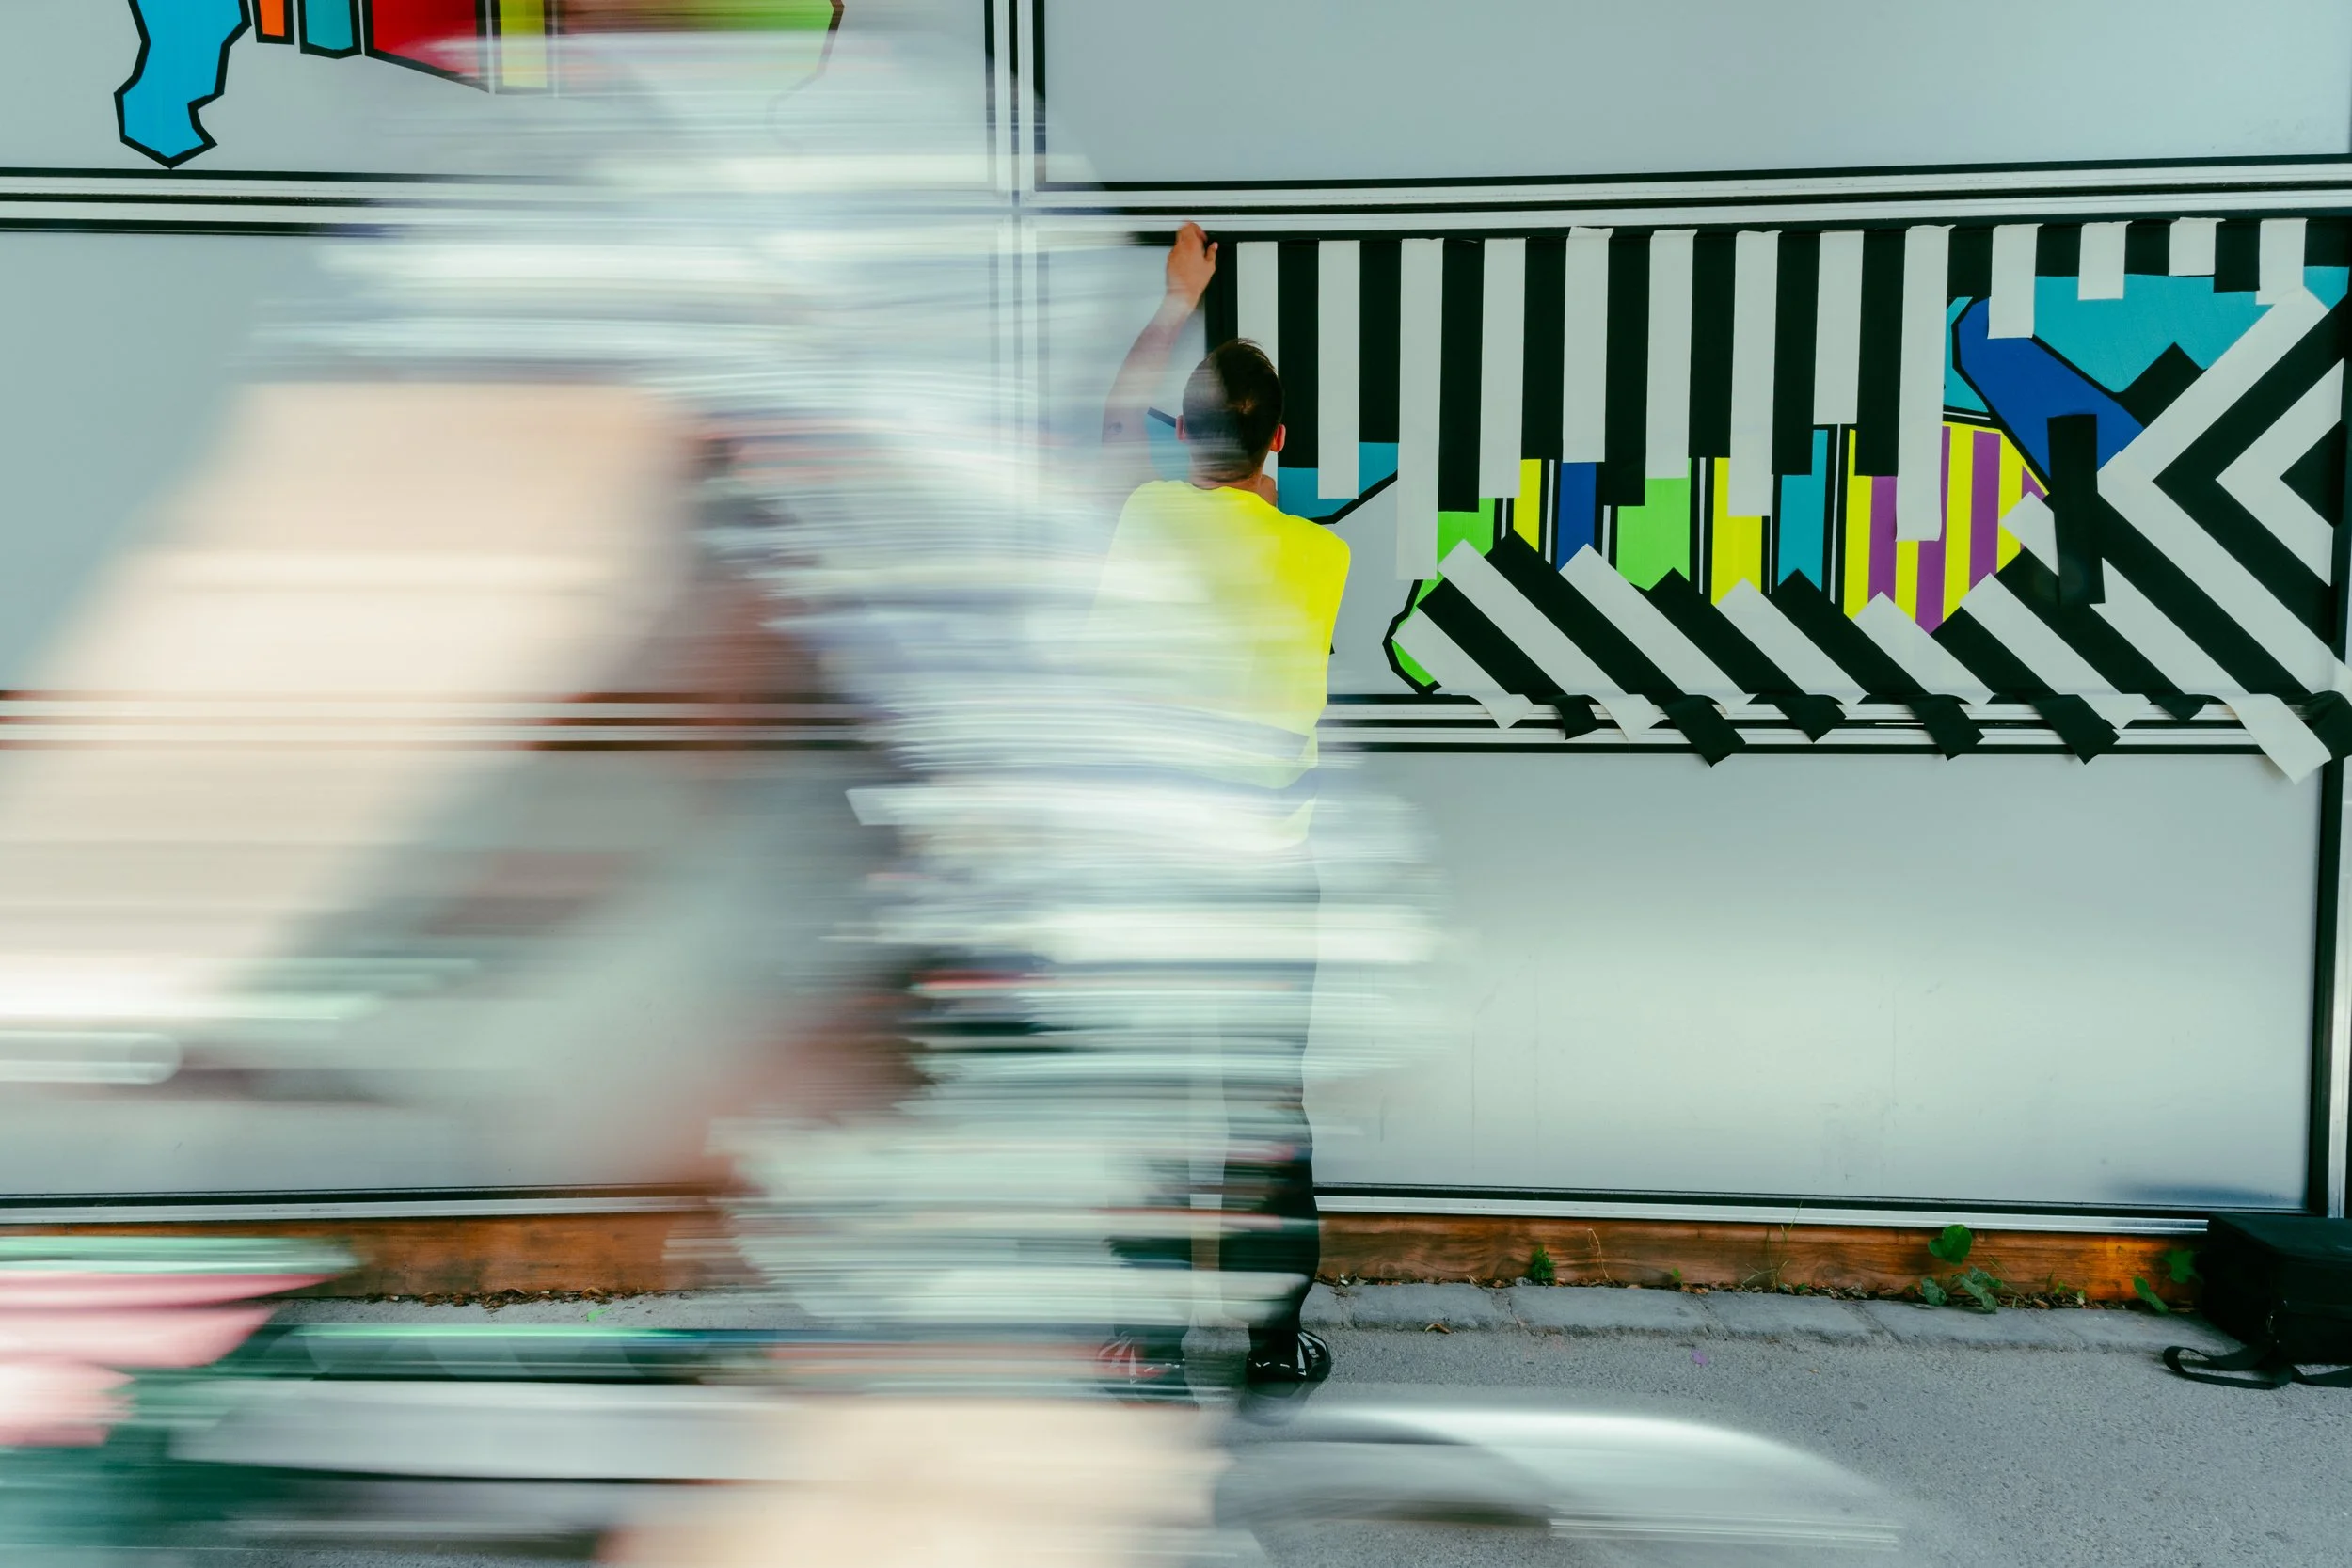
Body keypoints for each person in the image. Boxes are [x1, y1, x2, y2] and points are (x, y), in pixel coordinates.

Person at [1098, 222, 1350, 1402]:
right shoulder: (1317, 560)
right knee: (1261, 1116)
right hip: (1262, 885)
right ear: (1280, 444)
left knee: (1147, 1104)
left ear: (1182, 441)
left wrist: (1174, 302)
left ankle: (1144, 1344)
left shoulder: (1143, 520)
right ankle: (1263, 1342)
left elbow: (1109, 432)